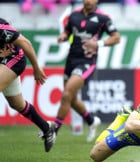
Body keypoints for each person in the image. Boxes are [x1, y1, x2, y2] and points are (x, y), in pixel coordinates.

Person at [56, 0, 121, 142]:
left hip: (87, 62)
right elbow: (68, 31)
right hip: (71, 59)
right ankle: (91, 120)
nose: (89, 1)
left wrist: (98, 43)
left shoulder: (103, 18)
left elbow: (116, 37)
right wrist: (63, 36)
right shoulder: (73, 15)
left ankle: (54, 129)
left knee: (67, 92)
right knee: (71, 99)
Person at [0, 18, 56, 152]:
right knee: (17, 104)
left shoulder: (1, 28)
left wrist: (36, 67)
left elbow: (26, 43)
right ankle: (47, 128)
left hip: (13, 60)